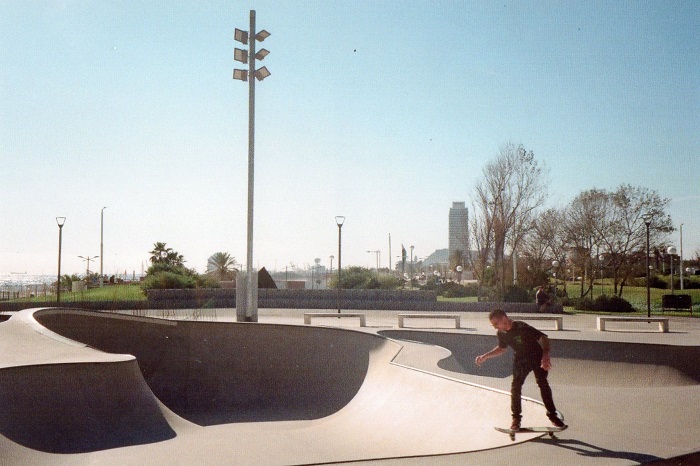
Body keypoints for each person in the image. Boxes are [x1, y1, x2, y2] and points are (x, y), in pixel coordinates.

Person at [475, 308, 566, 431]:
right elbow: (502, 348)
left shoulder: (521, 327)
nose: (495, 327)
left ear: (504, 318)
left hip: (537, 356)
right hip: (521, 359)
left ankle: (552, 416)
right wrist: (485, 356)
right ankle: (516, 419)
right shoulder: (501, 333)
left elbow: (543, 338)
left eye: (496, 323)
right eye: (493, 325)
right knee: (515, 386)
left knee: (542, 383)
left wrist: (545, 355)